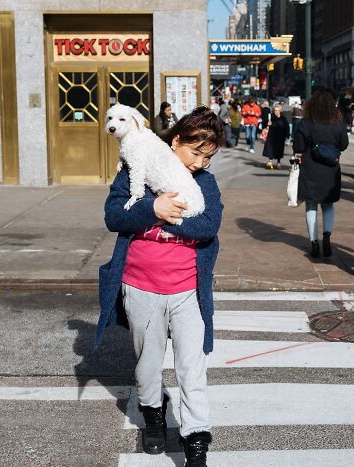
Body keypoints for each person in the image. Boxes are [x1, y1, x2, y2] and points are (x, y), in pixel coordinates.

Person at [96, 106, 224, 467]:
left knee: (191, 370)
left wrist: (171, 214)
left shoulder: (204, 184)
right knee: (147, 366)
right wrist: (153, 207)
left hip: (188, 291)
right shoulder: (139, 169)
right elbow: (114, 215)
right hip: (141, 286)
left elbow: (208, 226)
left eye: (208, 157)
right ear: (177, 140)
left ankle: (196, 442)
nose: (200, 163)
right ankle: (154, 414)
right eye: (195, 153)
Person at [293, 88, 349, 258]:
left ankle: (313, 242)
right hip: (330, 167)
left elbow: (299, 147)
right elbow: (344, 144)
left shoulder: (307, 121)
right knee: (328, 204)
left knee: (311, 204)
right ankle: (327, 236)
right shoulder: (338, 121)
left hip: (310, 166)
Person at [262, 104, 290, 169]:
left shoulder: (283, 118)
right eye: (275, 110)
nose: (276, 112)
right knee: (270, 149)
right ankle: (270, 161)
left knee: (279, 150)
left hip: (280, 137)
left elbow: (286, 127)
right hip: (271, 136)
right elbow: (264, 124)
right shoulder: (271, 117)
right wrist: (267, 124)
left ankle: (278, 163)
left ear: (280, 111)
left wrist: (287, 135)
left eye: (277, 110)